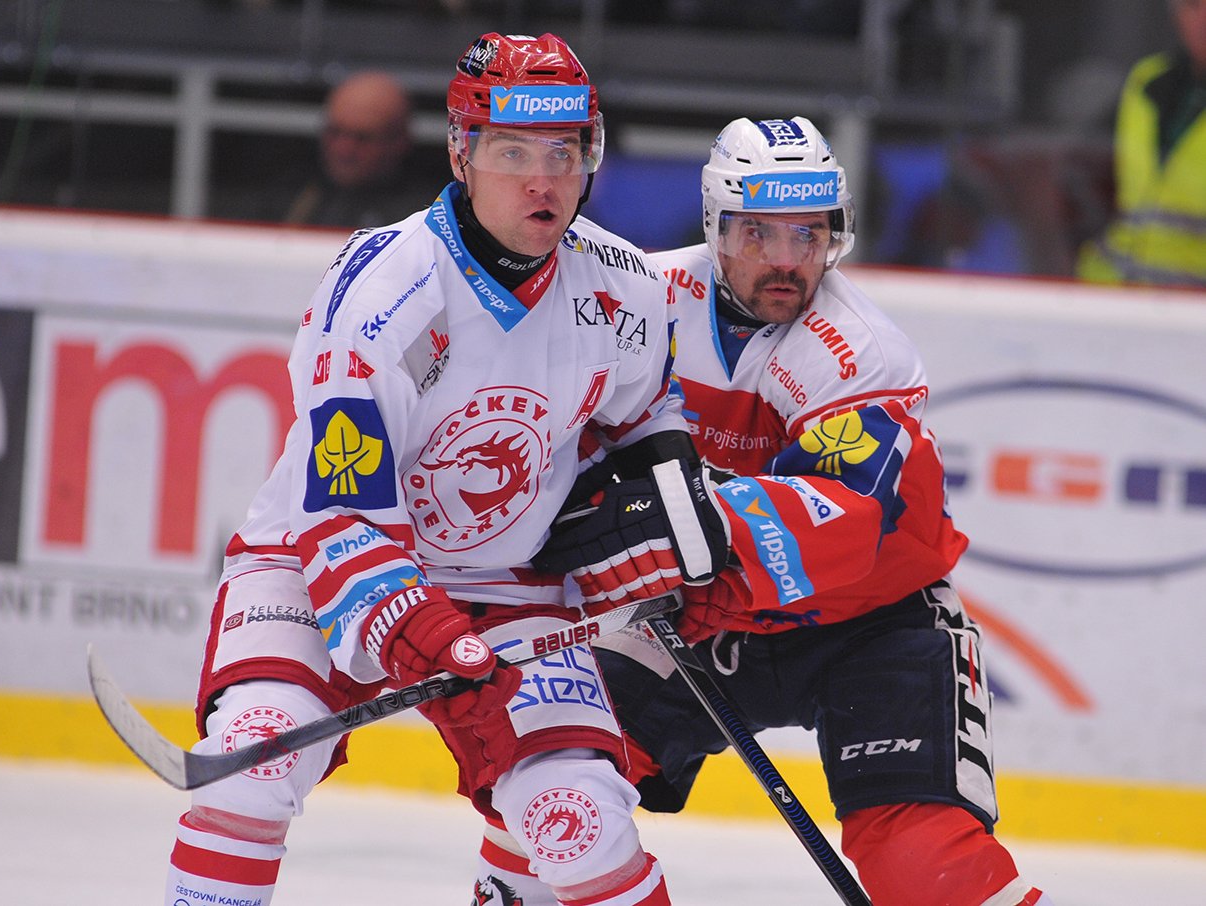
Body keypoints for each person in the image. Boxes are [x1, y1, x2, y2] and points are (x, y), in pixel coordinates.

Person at [164, 32, 730, 906]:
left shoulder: (625, 286)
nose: (543, 181)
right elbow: (341, 513)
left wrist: (670, 527)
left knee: (581, 822)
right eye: (513, 153)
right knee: (253, 764)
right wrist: (424, 629)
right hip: (314, 561)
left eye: (564, 153)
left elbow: (642, 419)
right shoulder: (381, 289)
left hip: (508, 578)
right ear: (461, 154)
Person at [471, 117, 1052, 906]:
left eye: (807, 235)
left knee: (924, 865)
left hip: (872, 621)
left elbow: (847, 513)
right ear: (716, 228)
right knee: (548, 782)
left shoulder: (860, 351)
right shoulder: (634, 299)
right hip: (694, 617)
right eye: (758, 234)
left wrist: (683, 519)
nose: (785, 260)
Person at [1075, 0, 1206, 287]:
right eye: (1193, 5)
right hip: (1119, 293)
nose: (1203, 19)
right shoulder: (1148, 80)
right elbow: (1090, 171)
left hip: (1194, 304)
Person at [281, 69, 446, 227]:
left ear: (399, 142)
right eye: (335, 132)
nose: (343, 150)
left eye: (362, 138)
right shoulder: (290, 195)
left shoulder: (428, 218)